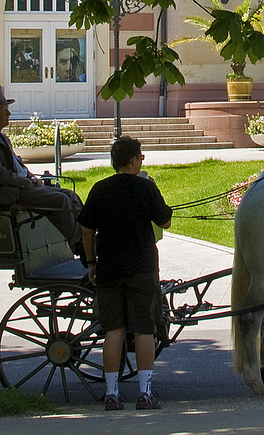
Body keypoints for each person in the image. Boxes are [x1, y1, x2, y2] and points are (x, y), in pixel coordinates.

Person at [79, 135, 173, 411]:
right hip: (142, 267)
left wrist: (91, 262)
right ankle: (144, 393)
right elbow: (165, 220)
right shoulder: (145, 188)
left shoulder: (100, 189)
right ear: (133, 160)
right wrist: (155, 190)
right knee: (145, 330)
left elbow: (86, 228)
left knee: (113, 331)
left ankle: (111, 394)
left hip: (109, 268)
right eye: (140, 157)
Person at [0, 86, 83, 251]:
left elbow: (17, 165)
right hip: (5, 193)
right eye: (4, 110)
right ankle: (79, 244)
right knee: (60, 200)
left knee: (69, 194)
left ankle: (85, 235)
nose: (9, 114)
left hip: (18, 187)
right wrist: (26, 183)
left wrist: (32, 178)